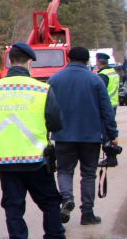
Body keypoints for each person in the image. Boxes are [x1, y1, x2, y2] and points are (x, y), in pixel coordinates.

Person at [0, 41, 75, 239]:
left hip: (4, 160)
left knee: (13, 208)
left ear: (9, 62)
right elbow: (56, 123)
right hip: (36, 159)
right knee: (50, 204)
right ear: (29, 62)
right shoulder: (41, 90)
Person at [49, 46, 119, 225]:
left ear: (68, 58)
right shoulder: (95, 80)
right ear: (87, 61)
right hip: (91, 136)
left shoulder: (55, 80)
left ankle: (66, 199)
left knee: (64, 170)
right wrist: (112, 134)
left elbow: (47, 109)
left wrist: (47, 132)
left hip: (63, 135)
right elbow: (106, 110)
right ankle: (87, 213)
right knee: (88, 174)